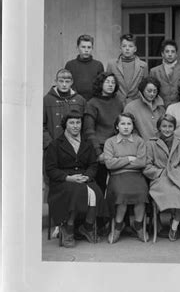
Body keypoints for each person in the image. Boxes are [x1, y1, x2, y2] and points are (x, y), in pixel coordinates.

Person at [45, 111, 107, 248]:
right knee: (75, 192)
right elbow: (50, 169)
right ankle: (68, 228)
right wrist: (68, 178)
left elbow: (93, 164)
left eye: (78, 122)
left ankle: (87, 227)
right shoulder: (56, 144)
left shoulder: (87, 143)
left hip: (84, 178)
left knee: (96, 193)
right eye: (72, 123)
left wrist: (88, 176)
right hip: (63, 181)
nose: (75, 126)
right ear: (65, 125)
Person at [144, 114, 180, 241]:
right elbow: (147, 166)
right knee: (169, 193)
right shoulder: (151, 144)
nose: (167, 129)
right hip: (160, 178)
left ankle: (175, 225)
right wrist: (161, 173)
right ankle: (158, 222)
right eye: (164, 126)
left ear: (174, 128)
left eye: (170, 126)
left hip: (177, 177)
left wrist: (177, 171)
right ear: (159, 128)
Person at [103, 113, 149, 243]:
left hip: (136, 175)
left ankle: (139, 226)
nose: (126, 127)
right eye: (123, 124)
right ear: (117, 126)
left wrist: (118, 161)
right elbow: (109, 164)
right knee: (122, 194)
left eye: (129, 124)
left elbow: (141, 162)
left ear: (133, 126)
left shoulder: (139, 141)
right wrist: (129, 158)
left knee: (141, 193)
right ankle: (117, 227)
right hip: (117, 176)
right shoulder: (110, 142)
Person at [83, 72, 123, 193]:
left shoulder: (118, 102)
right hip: (100, 148)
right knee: (100, 183)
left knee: (118, 183)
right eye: (107, 82)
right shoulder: (92, 103)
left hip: (117, 146)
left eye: (113, 82)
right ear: (100, 84)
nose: (110, 85)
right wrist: (98, 152)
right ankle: (99, 211)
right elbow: (89, 130)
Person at [43, 68, 87, 150]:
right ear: (56, 81)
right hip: (53, 146)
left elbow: (86, 125)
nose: (64, 84)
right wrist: (49, 144)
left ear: (72, 82)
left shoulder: (80, 100)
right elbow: (41, 125)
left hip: (75, 147)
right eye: (61, 81)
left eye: (67, 81)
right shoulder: (47, 100)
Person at [106, 33, 148, 105]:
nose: (127, 48)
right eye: (124, 46)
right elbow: (107, 86)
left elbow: (145, 87)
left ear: (135, 49)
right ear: (120, 48)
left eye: (130, 46)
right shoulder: (112, 64)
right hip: (116, 103)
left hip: (136, 104)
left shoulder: (143, 66)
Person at [124, 76, 166, 141]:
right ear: (142, 90)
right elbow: (127, 129)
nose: (152, 94)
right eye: (149, 91)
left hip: (159, 146)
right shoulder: (131, 107)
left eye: (155, 91)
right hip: (140, 146)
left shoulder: (161, 108)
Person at [64, 34, 104, 101]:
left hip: (93, 103)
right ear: (77, 47)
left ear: (92, 48)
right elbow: (67, 85)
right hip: (75, 102)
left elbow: (101, 87)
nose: (86, 50)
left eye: (89, 47)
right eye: (83, 47)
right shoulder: (70, 65)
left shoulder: (98, 65)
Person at [149, 39, 180, 108]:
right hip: (160, 108)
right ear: (162, 54)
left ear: (176, 54)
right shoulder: (154, 71)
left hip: (179, 108)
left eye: (173, 52)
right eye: (167, 51)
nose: (170, 54)